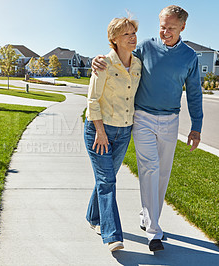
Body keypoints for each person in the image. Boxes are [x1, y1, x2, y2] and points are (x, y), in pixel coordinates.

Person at [92, 5, 203, 252]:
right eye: (162, 27)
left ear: (183, 27)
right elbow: (119, 54)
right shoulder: (145, 47)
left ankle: (146, 217)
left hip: (170, 120)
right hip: (142, 117)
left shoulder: (189, 57)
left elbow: (195, 93)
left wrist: (196, 126)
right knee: (150, 169)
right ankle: (154, 231)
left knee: (163, 172)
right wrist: (97, 59)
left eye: (171, 28)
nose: (165, 32)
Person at [84, 16, 142, 252]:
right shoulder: (104, 64)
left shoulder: (138, 64)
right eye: (127, 34)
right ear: (114, 39)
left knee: (104, 179)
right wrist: (100, 131)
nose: (132, 37)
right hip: (100, 130)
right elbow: (92, 100)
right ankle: (112, 236)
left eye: (133, 33)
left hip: (124, 131)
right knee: (108, 181)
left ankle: (93, 217)